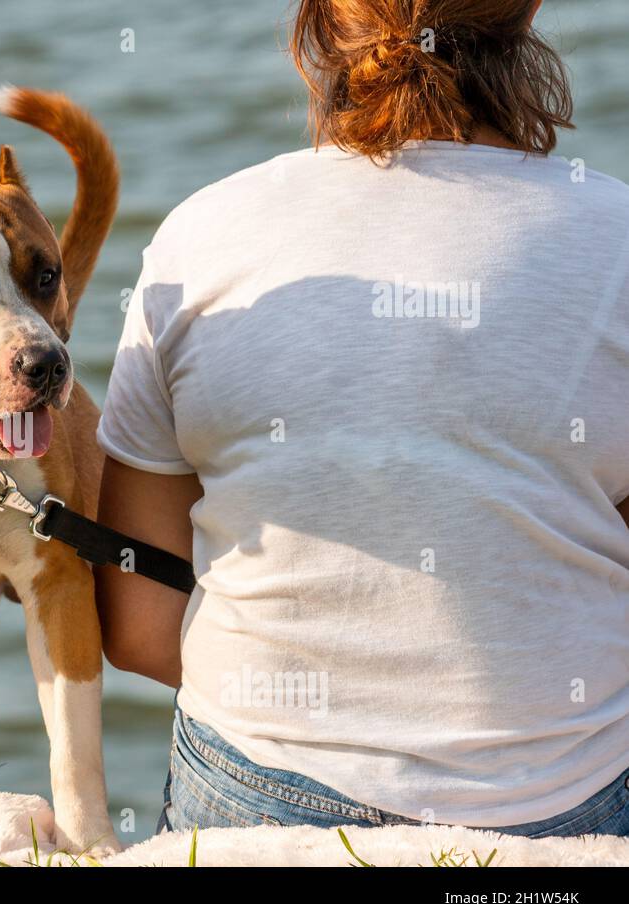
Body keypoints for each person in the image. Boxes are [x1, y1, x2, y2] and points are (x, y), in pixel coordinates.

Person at [96, 0, 629, 836]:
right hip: (557, 804)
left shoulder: (201, 236)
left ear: (320, 22)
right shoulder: (618, 238)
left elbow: (137, 628)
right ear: (523, 12)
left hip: (257, 800)